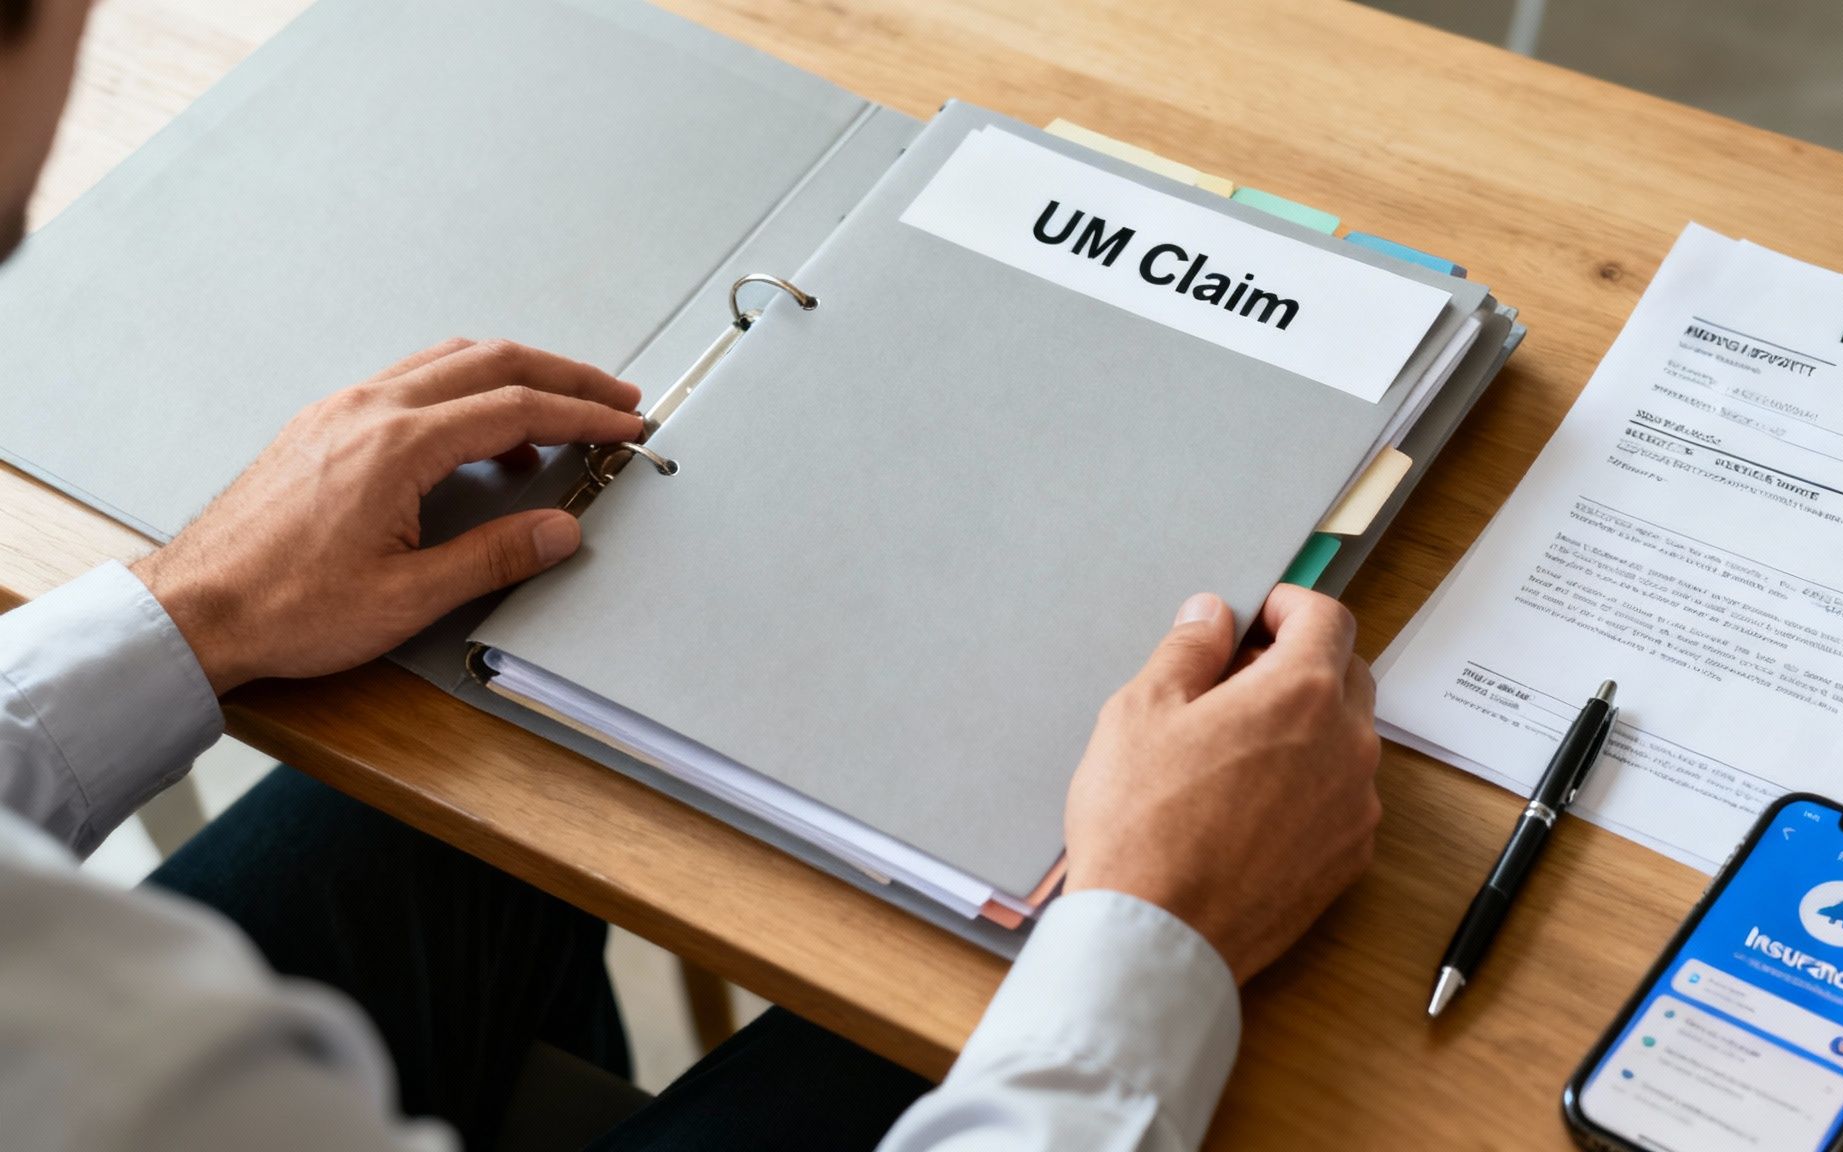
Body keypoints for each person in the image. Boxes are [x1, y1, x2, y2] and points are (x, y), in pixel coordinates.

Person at [0, 1, 1383, 1149]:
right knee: (926, 1028)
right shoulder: (108, 1062)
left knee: (443, 815)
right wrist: (1154, 941)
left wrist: (198, 607)